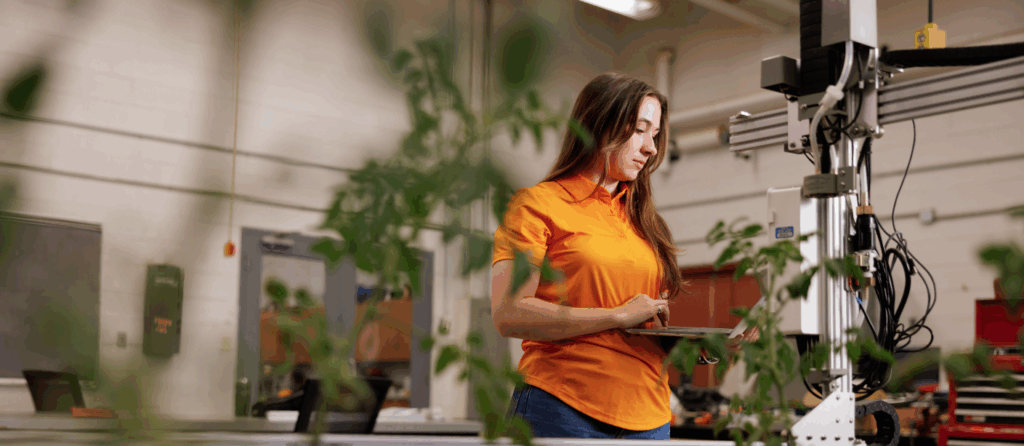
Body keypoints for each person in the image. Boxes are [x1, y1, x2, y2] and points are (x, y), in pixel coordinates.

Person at [490, 72, 752, 440]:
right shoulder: (537, 205)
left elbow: (639, 330)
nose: (650, 148)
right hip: (563, 405)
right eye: (639, 129)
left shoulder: (642, 221)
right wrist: (617, 315)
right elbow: (510, 314)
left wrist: (693, 346)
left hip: (649, 416)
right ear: (598, 124)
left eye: (656, 134)